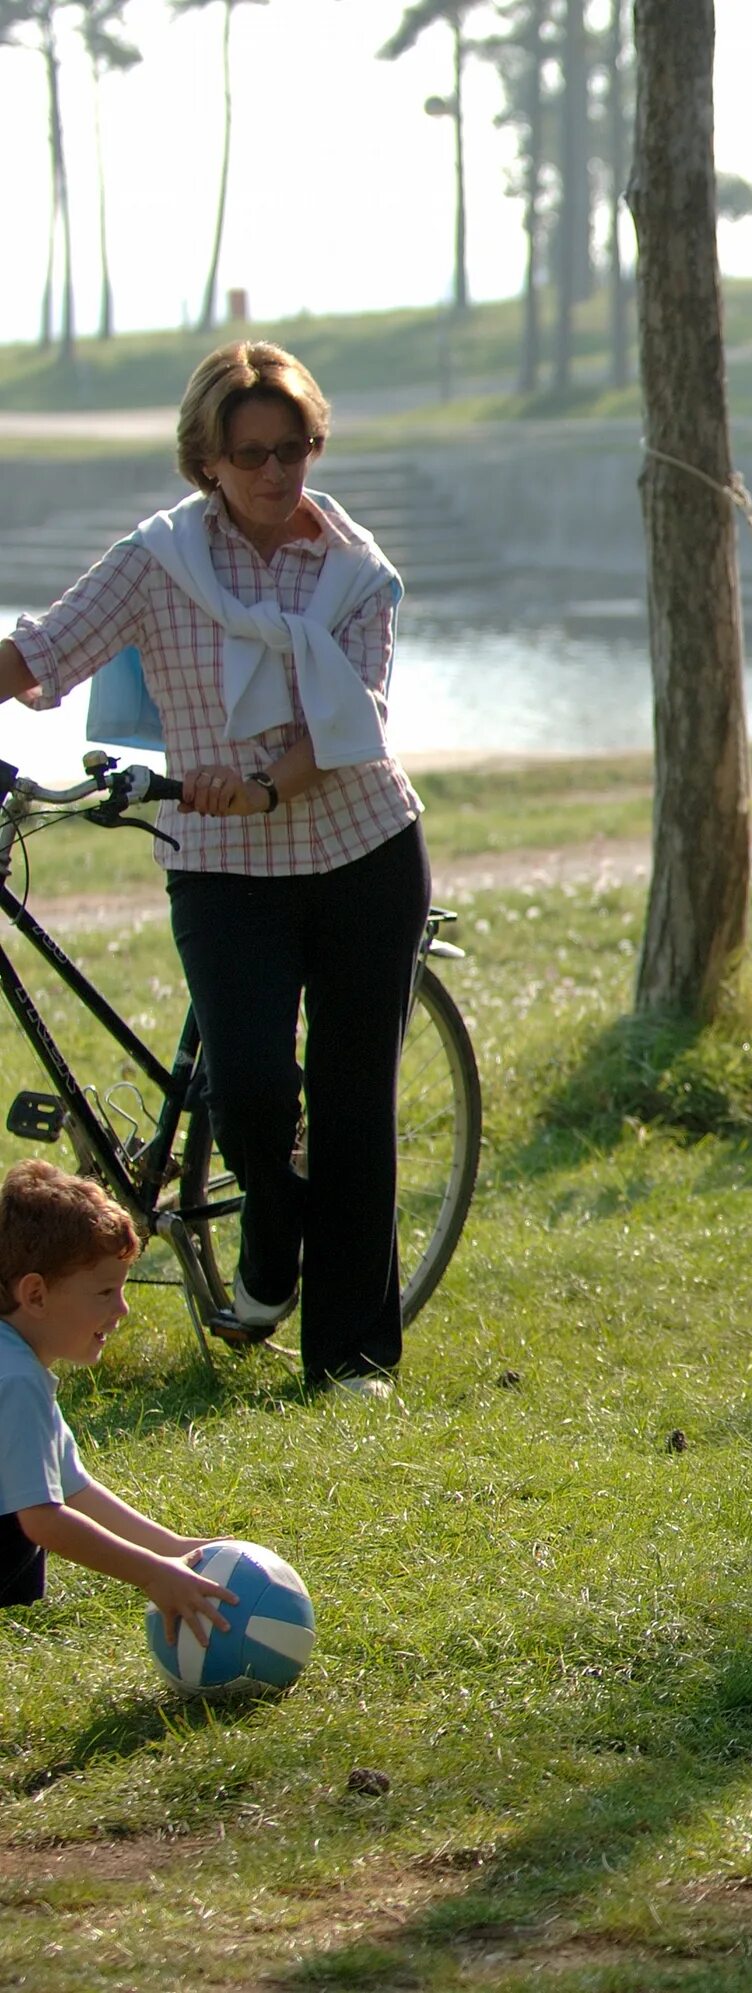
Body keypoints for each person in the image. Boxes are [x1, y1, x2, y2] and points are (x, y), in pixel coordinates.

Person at [0, 343, 428, 1399]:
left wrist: (271, 783)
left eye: (296, 449)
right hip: (224, 865)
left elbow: (353, 725)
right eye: (253, 455)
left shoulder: (355, 570)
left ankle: (351, 1356)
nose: (278, 474)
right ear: (208, 458)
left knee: (352, 1103)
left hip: (362, 851)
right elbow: (41, 653)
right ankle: (270, 1238)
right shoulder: (159, 562)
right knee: (245, 1089)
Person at [1, 1161, 237, 1645]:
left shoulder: (16, 1361)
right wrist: (154, 1575)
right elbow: (45, 1519)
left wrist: (176, 1550)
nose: (123, 1309)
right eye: (106, 1291)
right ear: (36, 1294)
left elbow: (73, 1487)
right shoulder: (17, 1377)